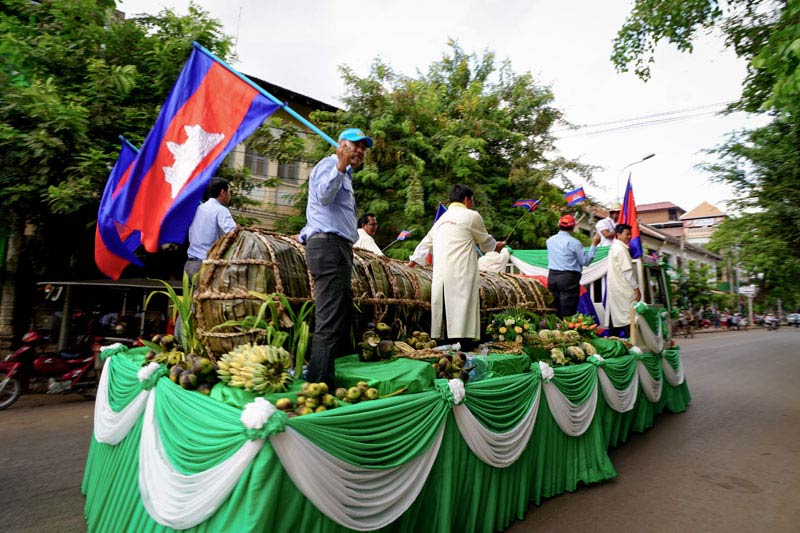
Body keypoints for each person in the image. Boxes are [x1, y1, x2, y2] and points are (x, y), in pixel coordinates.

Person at [300, 127, 372, 389]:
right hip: (327, 246)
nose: (361, 151)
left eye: (364, 147)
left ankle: (324, 374)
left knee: (337, 316)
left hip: (339, 247)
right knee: (329, 318)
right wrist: (339, 167)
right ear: (340, 145)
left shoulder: (346, 175)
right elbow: (323, 195)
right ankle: (319, 385)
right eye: (356, 145)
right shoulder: (329, 165)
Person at [408, 184, 504, 350]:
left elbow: (424, 244)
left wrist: (414, 260)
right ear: (466, 199)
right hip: (462, 273)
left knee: (444, 311)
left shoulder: (440, 221)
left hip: (441, 275)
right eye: (472, 200)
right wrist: (497, 246)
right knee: (462, 310)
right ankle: (464, 348)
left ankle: (445, 347)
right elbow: (487, 243)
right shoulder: (471, 216)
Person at [546, 214, 601, 318]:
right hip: (568, 278)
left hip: (553, 277)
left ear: (559, 226)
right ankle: (566, 333)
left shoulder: (550, 241)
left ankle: (554, 332)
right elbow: (585, 261)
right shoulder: (574, 243)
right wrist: (594, 244)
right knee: (568, 311)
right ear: (573, 227)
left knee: (554, 309)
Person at [184, 177, 236, 278]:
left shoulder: (197, 209)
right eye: (229, 191)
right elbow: (233, 234)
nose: (230, 195)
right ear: (223, 192)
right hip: (207, 266)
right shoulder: (221, 210)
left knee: (190, 294)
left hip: (190, 265)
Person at [604, 223, 641, 338]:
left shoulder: (614, 248)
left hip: (615, 290)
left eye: (630, 234)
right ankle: (632, 346)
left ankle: (612, 343)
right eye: (627, 234)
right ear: (618, 234)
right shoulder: (620, 249)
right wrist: (636, 288)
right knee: (628, 320)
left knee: (615, 319)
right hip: (624, 289)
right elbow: (627, 271)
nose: (629, 237)